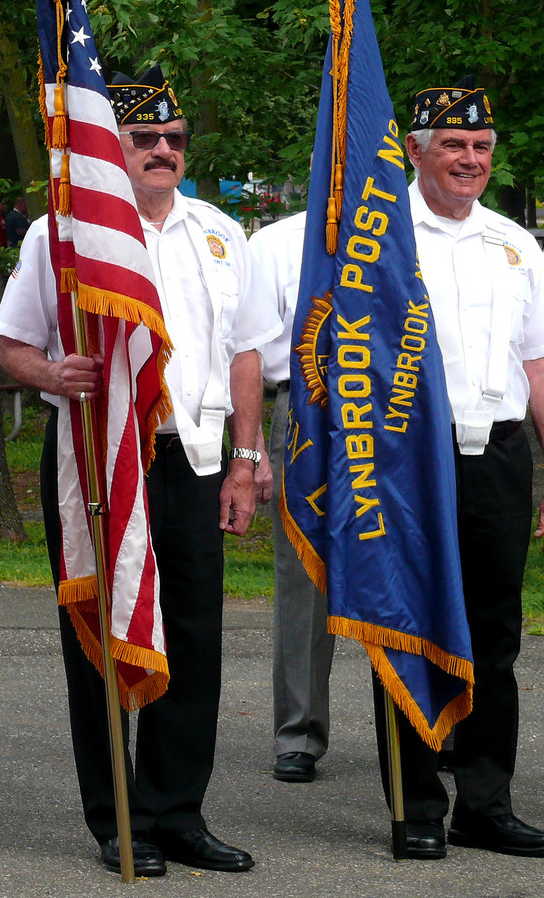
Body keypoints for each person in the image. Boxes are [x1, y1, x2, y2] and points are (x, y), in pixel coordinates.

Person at [0, 66, 276, 878]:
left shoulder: (221, 233)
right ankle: (119, 814)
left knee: (193, 637)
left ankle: (178, 810)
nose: (161, 150)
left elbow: (247, 352)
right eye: (143, 137)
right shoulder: (63, 233)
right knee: (105, 633)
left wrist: (248, 459)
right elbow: (11, 343)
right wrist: (51, 376)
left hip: (195, 457)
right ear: (109, 147)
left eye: (173, 139)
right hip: (98, 451)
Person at [369, 76, 544, 861]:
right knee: (408, 625)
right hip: (407, 459)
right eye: (453, 145)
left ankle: (486, 803)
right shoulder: (381, 241)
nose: (469, 159)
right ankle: (416, 804)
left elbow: (543, 364)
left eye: (482, 146)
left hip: (495, 453)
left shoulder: (513, 242)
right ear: (416, 151)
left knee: (496, 635)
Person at [246, 210, 336, 784]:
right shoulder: (276, 242)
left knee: (410, 568)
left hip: (394, 412)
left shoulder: (405, 234)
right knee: (302, 578)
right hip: (303, 411)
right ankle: (298, 733)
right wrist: (250, 441)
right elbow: (247, 345)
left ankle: (430, 726)